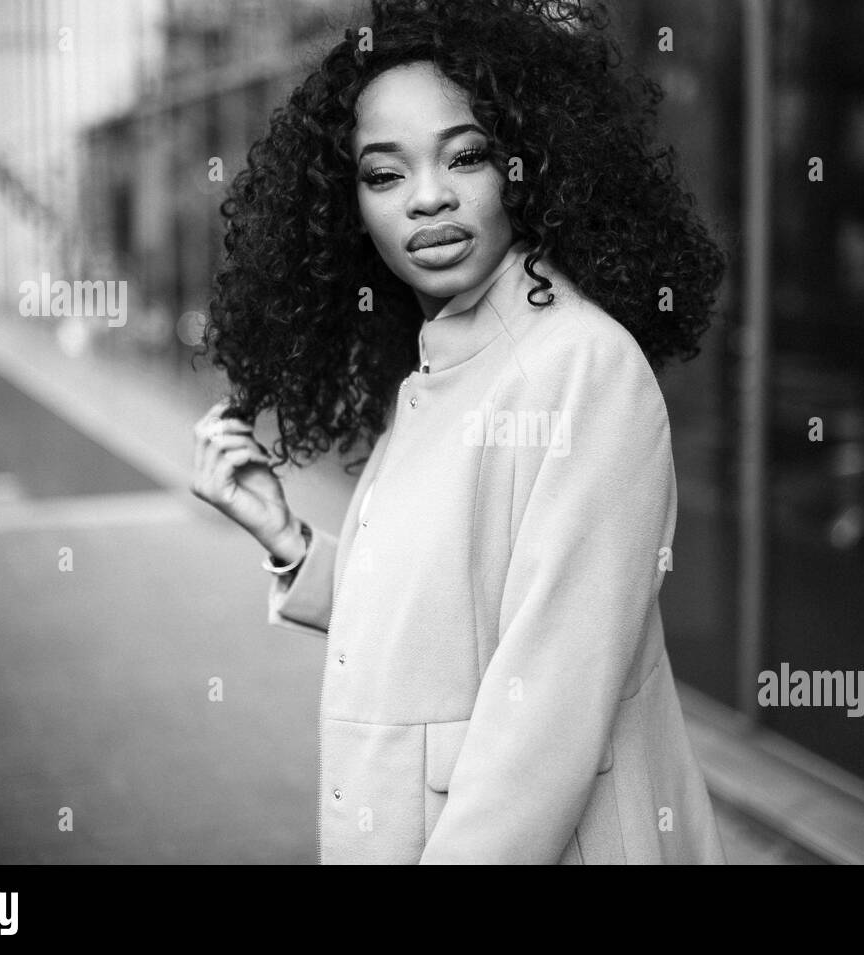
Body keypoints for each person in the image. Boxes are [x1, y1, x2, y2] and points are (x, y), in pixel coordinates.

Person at [192, 0, 728, 864]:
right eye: (384, 174)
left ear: (529, 164)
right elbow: (452, 622)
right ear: (349, 209)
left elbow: (544, 725)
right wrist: (288, 541)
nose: (430, 196)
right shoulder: (441, 363)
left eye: (465, 155)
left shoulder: (582, 366)